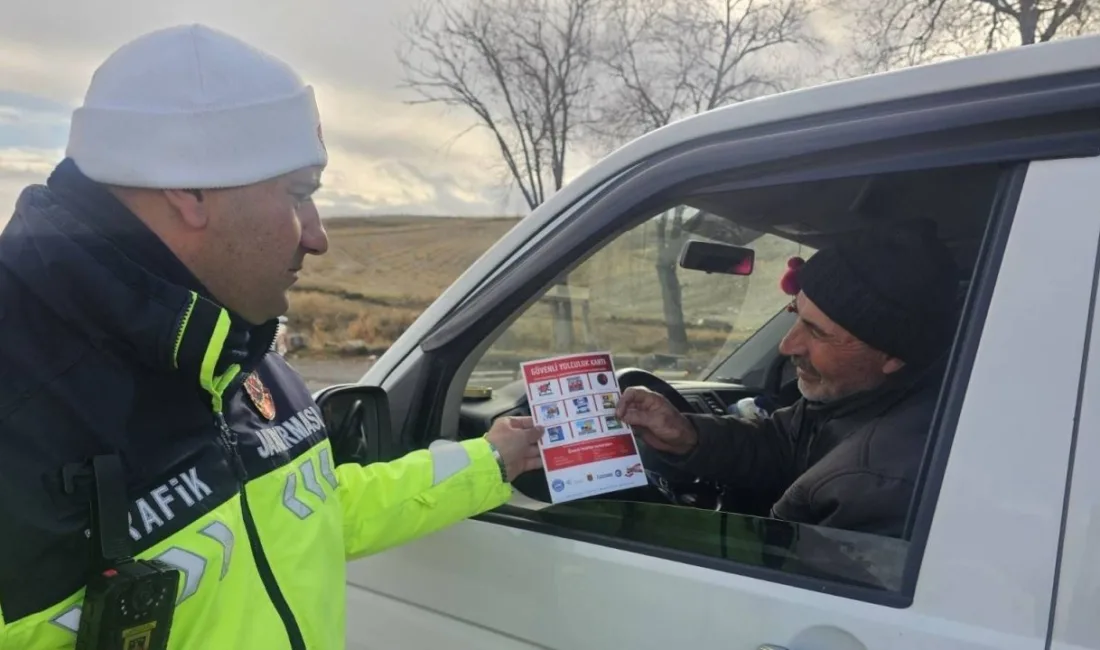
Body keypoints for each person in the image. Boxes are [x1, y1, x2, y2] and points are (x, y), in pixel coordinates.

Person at [0, 24, 543, 649]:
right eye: (298, 194)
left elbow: (311, 506)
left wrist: (490, 461)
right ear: (189, 187)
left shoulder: (237, 348)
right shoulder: (18, 406)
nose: (317, 235)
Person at [617, 222, 961, 537]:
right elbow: (784, 444)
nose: (787, 344)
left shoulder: (874, 485)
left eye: (816, 332)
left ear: (892, 356)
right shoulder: (858, 400)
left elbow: (777, 582)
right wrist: (687, 437)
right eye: (795, 314)